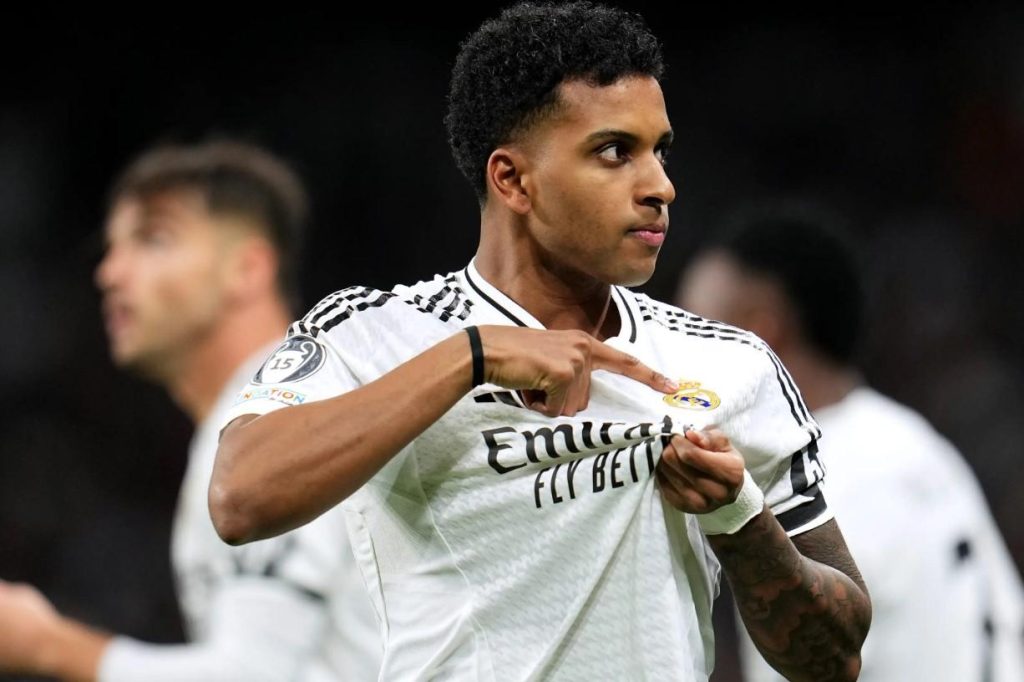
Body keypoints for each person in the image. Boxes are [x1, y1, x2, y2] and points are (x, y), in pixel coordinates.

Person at [209, 4, 871, 680]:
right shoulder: (376, 334)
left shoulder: (729, 362)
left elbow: (837, 659)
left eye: (660, 151)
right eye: (615, 152)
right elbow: (240, 498)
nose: (661, 187)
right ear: (512, 180)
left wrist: (741, 519)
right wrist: (472, 355)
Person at [0, 140, 382, 681]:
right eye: (110, 248)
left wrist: (47, 645)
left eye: (154, 239)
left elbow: (255, 677)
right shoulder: (268, 411)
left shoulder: (277, 423)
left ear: (247, 269)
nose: (110, 273)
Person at [676, 202, 1024, 681]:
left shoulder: (815, 482)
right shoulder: (911, 442)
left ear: (758, 330)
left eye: (692, 327)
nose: (673, 359)